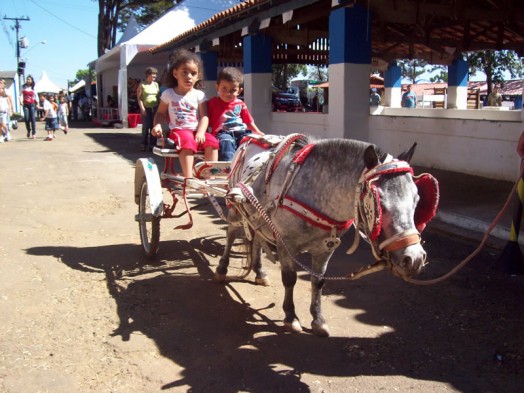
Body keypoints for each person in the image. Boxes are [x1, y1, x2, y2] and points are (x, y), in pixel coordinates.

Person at [151, 49, 218, 178]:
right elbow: (160, 113)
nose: (189, 76)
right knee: (187, 142)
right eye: (184, 72)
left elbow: (204, 116)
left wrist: (201, 132)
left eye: (193, 73)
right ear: (175, 73)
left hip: (196, 132)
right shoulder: (169, 94)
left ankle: (209, 176)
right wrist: (157, 125)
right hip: (179, 130)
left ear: (198, 76)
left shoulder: (199, 95)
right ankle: (189, 178)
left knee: (213, 142)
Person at [207, 67, 264, 161]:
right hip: (222, 133)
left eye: (233, 90)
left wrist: (258, 132)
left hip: (241, 132)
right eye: (224, 88)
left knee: (250, 142)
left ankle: (246, 166)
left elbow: (249, 122)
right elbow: (205, 119)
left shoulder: (240, 104)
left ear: (239, 91)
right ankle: (228, 167)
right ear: (217, 87)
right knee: (227, 142)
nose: (228, 93)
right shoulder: (212, 103)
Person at [137, 66, 160, 151]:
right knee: (146, 126)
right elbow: (139, 98)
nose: (154, 77)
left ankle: (152, 145)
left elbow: (158, 97)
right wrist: (142, 108)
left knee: (154, 126)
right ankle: (144, 144)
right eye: (153, 75)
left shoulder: (156, 84)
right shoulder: (142, 84)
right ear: (148, 75)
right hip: (146, 108)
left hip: (155, 107)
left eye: (155, 75)